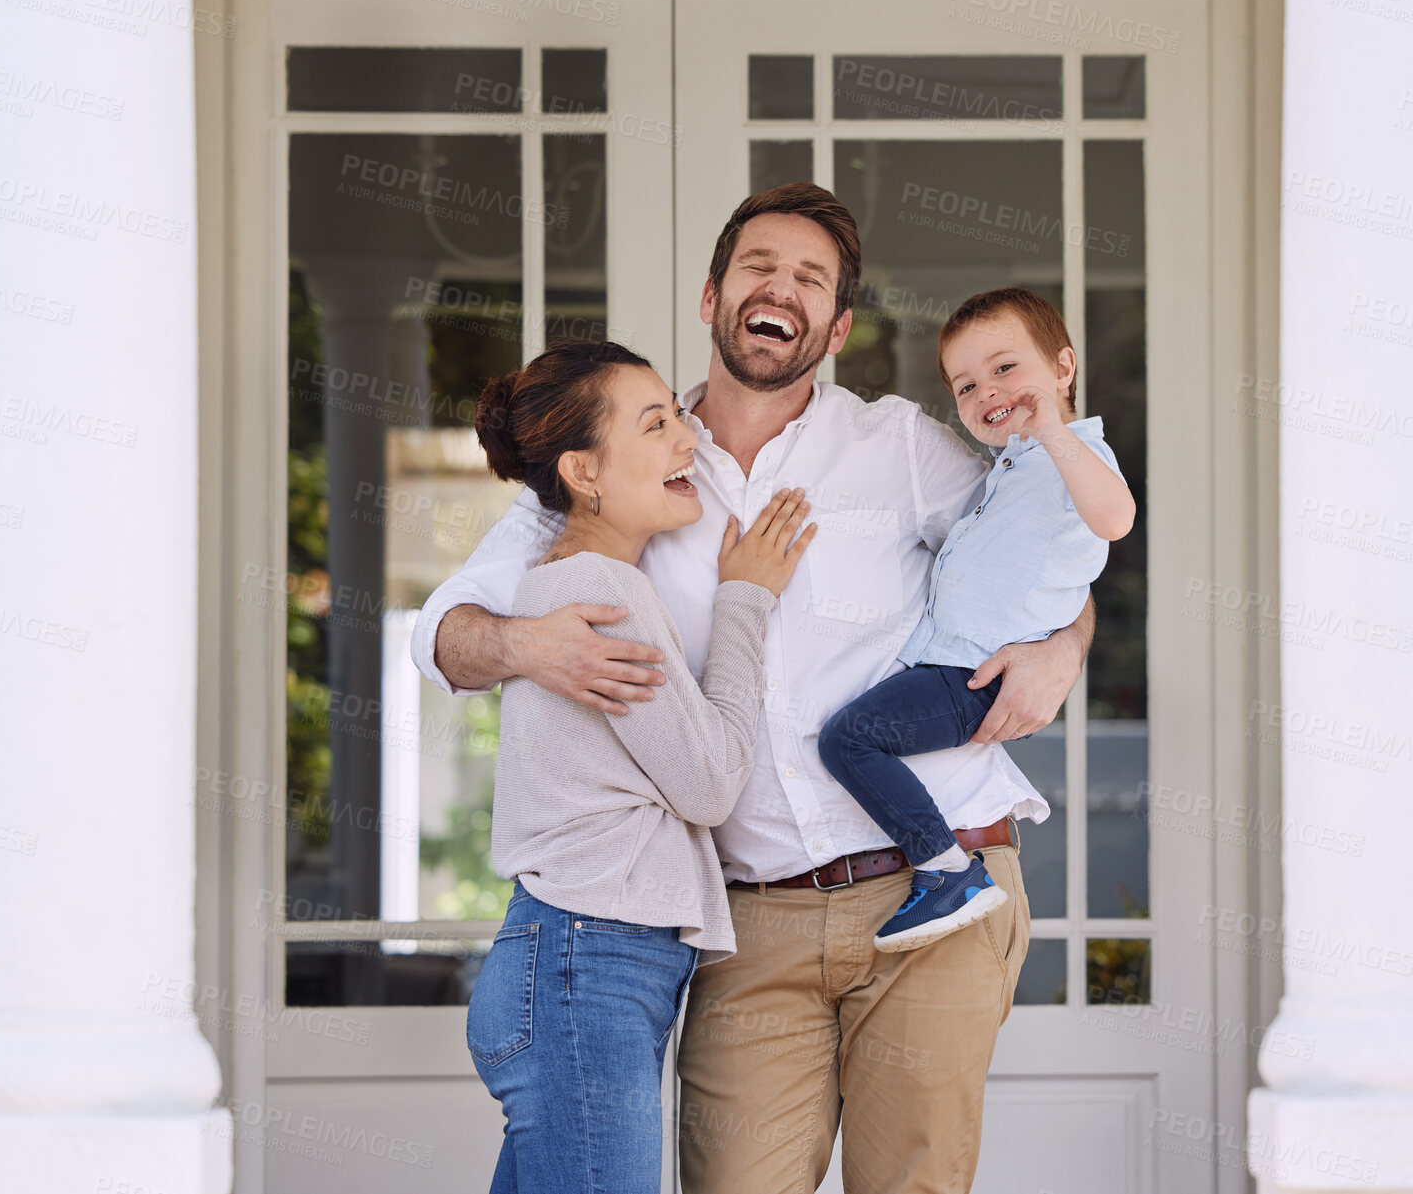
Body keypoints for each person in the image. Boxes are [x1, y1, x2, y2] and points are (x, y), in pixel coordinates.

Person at [412, 183, 1095, 1194]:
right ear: (712, 296)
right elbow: (447, 633)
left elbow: (1049, 547)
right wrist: (526, 647)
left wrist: (1065, 646)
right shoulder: (622, 458)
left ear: (839, 325)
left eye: (811, 279)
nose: (782, 287)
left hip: (936, 886)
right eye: (760, 267)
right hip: (750, 915)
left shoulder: (899, 445)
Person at [459, 337, 815, 1194]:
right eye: (655, 424)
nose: (686, 439)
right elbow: (709, 780)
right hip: (587, 965)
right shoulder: (599, 592)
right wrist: (745, 598)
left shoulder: (583, 583)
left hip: (577, 962)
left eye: (678, 415)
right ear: (584, 472)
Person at [818, 288, 1134, 953]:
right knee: (854, 734)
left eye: (1003, 367)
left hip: (974, 671)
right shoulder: (1008, 471)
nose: (985, 391)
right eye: (964, 385)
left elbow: (1113, 519)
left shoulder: (1072, 455)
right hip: (954, 662)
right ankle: (942, 869)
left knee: (848, 740)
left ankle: (944, 870)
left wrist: (1049, 427)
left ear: (1062, 367)